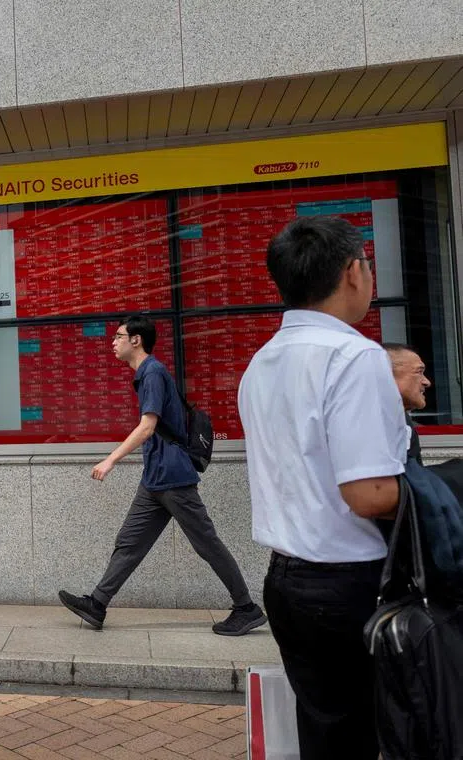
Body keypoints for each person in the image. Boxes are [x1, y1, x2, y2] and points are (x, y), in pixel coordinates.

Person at [238, 216, 408, 760]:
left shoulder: (261, 362)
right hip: (351, 583)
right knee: (372, 734)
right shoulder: (355, 357)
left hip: (285, 581)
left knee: (325, 730)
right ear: (352, 272)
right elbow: (369, 495)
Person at [59, 315, 266, 636]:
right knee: (129, 542)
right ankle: (97, 604)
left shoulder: (152, 373)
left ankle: (246, 608)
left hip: (173, 477)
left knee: (207, 544)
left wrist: (110, 460)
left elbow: (147, 426)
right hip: (155, 479)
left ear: (136, 340)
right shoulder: (146, 374)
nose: (113, 342)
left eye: (118, 336)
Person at [383, 342, 430, 464]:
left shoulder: (403, 419)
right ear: (387, 375)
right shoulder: (359, 422)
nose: (426, 382)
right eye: (419, 372)